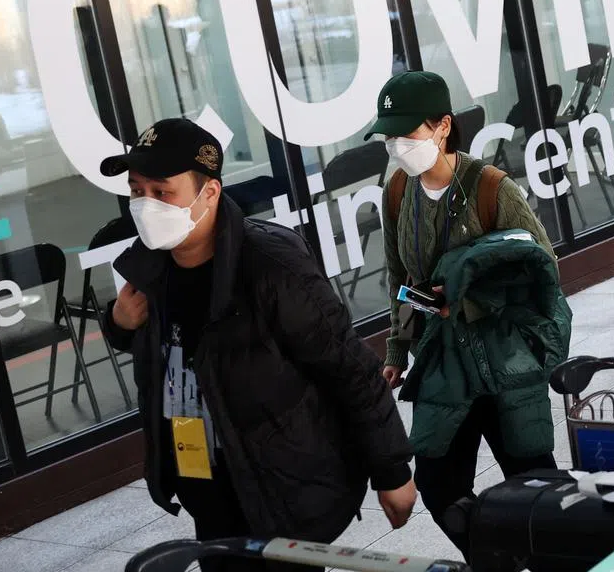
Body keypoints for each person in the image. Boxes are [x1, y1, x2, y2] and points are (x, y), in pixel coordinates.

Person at [99, 118, 417, 572]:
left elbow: (348, 367)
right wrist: (118, 325)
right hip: (203, 480)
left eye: (162, 191)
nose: (145, 204)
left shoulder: (271, 267)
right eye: (136, 191)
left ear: (209, 192)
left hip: (279, 484)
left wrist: (392, 471)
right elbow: (172, 353)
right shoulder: (151, 268)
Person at [368, 70, 568, 559]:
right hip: (443, 364)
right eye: (389, 137)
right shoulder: (397, 193)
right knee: (438, 485)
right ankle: (495, 559)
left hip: (505, 362)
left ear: (442, 127)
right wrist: (397, 349)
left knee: (534, 483)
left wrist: (473, 295)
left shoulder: (491, 188)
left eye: (407, 134)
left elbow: (543, 268)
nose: (397, 147)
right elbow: (400, 281)